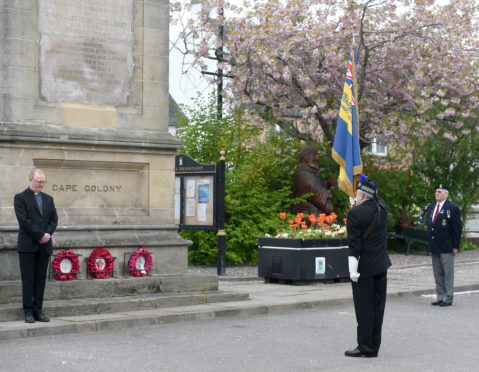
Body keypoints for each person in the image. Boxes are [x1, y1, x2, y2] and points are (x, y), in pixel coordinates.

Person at [345, 179, 391, 358]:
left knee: (364, 308)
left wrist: (352, 271)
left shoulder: (355, 214)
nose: (355, 198)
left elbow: (354, 246)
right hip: (381, 265)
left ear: (362, 195)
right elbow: (377, 198)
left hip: (364, 268)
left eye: (357, 195)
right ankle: (374, 345)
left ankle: (364, 346)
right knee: (378, 307)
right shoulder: (382, 208)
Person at [14, 168, 58, 323]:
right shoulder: (20, 198)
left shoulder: (49, 199)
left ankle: (38, 310)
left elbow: (54, 219)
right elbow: (24, 221)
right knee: (28, 279)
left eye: (43, 181)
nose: (42, 184)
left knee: (40, 279)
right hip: (28, 245)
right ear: (30, 180)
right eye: (39, 181)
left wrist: (47, 234)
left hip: (44, 246)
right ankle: (28, 311)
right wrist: (40, 235)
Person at [426, 184, 462, 307]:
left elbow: (457, 229)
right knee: (438, 273)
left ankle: (448, 297)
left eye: (440, 192)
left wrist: (455, 246)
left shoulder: (452, 207)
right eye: (436, 191)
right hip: (435, 245)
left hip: (447, 246)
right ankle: (440, 296)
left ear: (446, 194)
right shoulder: (431, 207)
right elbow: (430, 226)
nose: (437, 193)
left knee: (448, 273)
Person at [295, 146, 335, 215]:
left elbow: (316, 185)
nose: (317, 158)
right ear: (306, 157)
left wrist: (327, 183)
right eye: (314, 155)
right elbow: (312, 190)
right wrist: (327, 195)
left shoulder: (309, 171)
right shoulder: (303, 173)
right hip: (309, 213)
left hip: (313, 211)